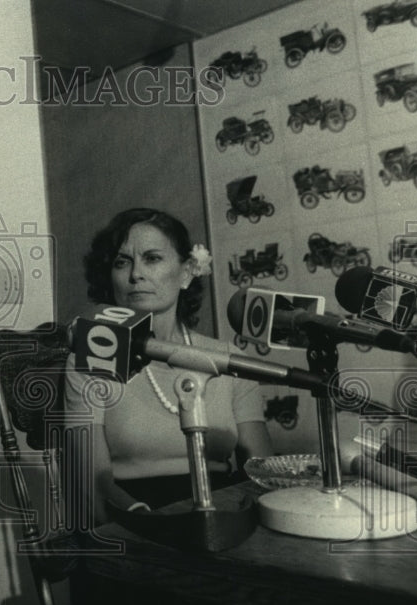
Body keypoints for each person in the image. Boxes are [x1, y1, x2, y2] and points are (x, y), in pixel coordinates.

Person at [64, 208, 273, 524]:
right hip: (139, 522)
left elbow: (263, 471)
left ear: (187, 271)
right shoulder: (91, 359)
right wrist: (152, 529)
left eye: (152, 258)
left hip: (227, 515)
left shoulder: (228, 359)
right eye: (122, 262)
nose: (136, 274)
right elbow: (92, 488)